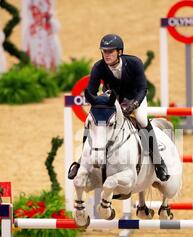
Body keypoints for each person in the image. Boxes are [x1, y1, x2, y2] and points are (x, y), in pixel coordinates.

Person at [68, 33, 170, 182]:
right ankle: (80, 160)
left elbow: (143, 88)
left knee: (142, 120)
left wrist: (134, 104)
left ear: (119, 52)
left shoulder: (135, 63)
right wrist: (97, 102)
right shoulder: (98, 66)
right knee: (91, 122)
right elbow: (91, 91)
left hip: (135, 98)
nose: (107, 54)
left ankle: (158, 162)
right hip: (112, 101)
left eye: (110, 51)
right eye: (104, 51)